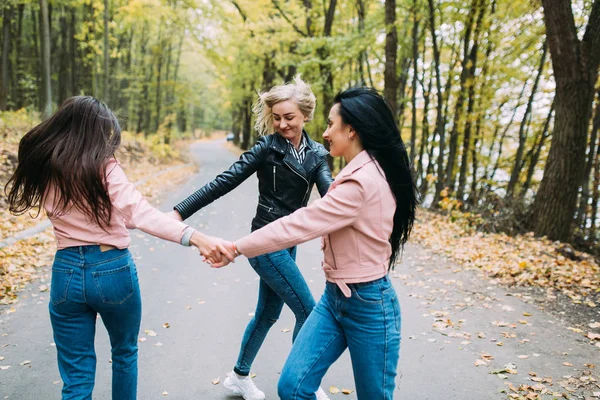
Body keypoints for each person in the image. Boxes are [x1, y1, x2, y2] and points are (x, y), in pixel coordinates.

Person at [5, 96, 231, 400]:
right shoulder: (103, 166)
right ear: (93, 131)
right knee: (124, 353)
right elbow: (138, 212)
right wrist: (197, 237)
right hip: (111, 269)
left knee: (76, 375)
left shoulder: (46, 164)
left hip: (66, 272)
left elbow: (124, 216)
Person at [211, 87, 418, 399]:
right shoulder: (357, 171)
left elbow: (301, 223)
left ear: (351, 130)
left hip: (369, 304)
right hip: (334, 300)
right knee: (293, 386)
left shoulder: (361, 181)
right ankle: (240, 374)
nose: (325, 132)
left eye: (331, 124)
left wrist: (237, 247)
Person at [170, 76, 333, 400]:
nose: (283, 124)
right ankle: (302, 385)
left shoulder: (317, 154)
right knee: (308, 310)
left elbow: (332, 197)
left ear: (305, 115)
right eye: (277, 118)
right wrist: (179, 212)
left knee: (268, 314)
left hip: (289, 243)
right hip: (264, 241)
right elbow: (223, 182)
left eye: (289, 117)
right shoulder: (266, 149)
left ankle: (239, 376)